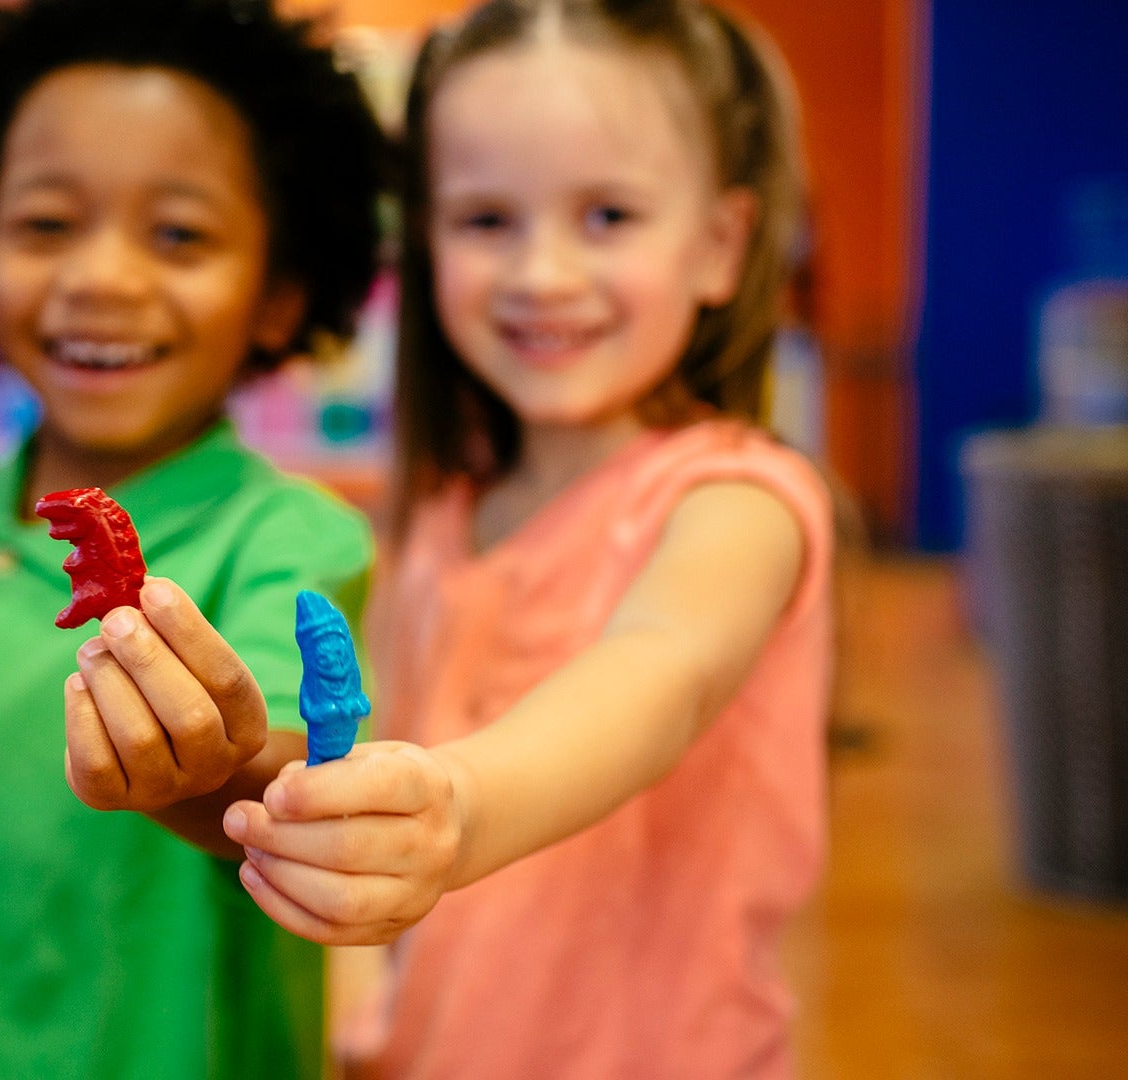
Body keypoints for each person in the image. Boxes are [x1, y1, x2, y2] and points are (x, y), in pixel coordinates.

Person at [215, 1, 836, 1075]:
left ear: (722, 245)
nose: (543, 272)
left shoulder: (739, 502)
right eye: (487, 219)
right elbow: (377, 772)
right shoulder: (442, 515)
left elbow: (661, 674)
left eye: (607, 217)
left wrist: (457, 808)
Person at [0, 1, 388, 1076]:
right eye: (47, 223)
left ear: (280, 296)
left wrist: (211, 771)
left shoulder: (287, 541)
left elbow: (285, 792)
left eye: (179, 235)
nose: (101, 276)